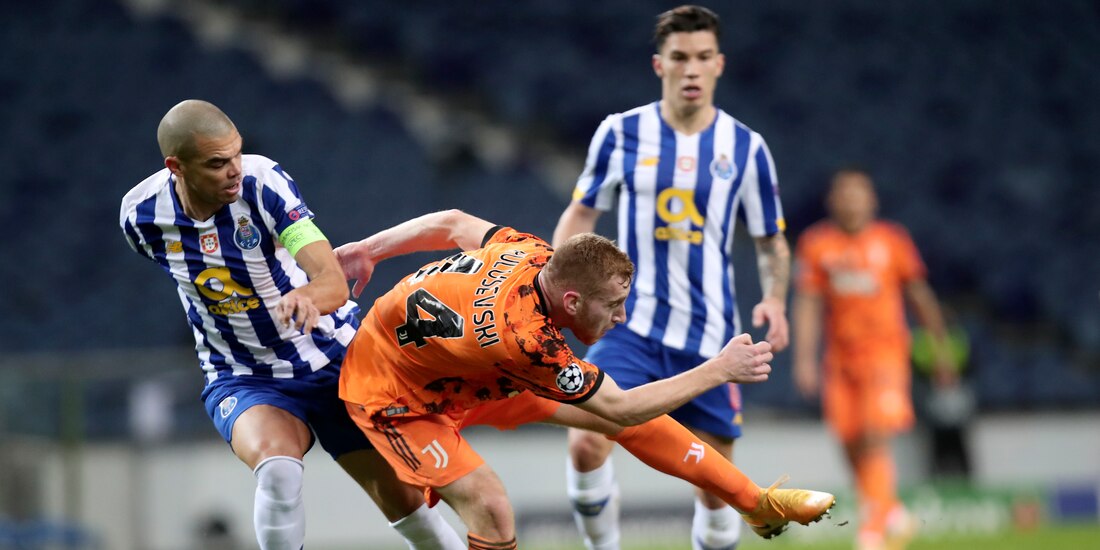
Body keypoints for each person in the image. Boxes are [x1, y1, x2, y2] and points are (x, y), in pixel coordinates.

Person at [334, 209, 832, 549]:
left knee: (621, 423)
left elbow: (454, 223)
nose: (621, 317)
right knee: (490, 504)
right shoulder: (527, 342)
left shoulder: (531, 253)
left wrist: (369, 250)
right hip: (395, 392)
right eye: (613, 306)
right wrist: (719, 370)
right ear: (572, 302)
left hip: (463, 370)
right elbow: (623, 408)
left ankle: (756, 502)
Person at [119, 100, 464, 550]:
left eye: (236, 154)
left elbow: (332, 280)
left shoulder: (263, 184)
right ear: (176, 167)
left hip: (336, 360)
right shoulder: (141, 218)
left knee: (405, 504)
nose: (233, 170)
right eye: (217, 163)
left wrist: (306, 295)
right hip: (245, 375)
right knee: (278, 470)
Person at [552, 6, 790, 549]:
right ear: (659, 64)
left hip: (710, 339)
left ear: (719, 65)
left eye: (703, 57)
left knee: (715, 486)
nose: (691, 69)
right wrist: (556, 282)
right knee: (586, 443)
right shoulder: (620, 133)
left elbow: (771, 239)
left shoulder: (746, 147)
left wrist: (775, 297)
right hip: (630, 327)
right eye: (680, 58)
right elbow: (582, 214)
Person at [792, 168, 958, 550]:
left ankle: (873, 532)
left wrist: (941, 346)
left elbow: (919, 294)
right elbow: (807, 303)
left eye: (858, 193)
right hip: (840, 359)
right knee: (848, 437)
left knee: (873, 436)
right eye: (844, 194)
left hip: (885, 354)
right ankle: (890, 509)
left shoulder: (892, 241)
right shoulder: (817, 244)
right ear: (832, 201)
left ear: (872, 200)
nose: (851, 200)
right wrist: (804, 359)